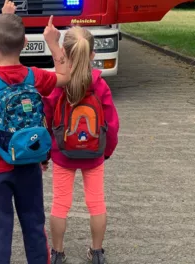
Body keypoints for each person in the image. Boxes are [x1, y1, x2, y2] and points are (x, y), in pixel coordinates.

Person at [0, 7, 70, 264]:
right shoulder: (34, 77)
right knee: (34, 226)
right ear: (24, 43)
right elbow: (65, 77)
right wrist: (53, 43)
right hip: (30, 165)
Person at [44, 27, 119, 264]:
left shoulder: (58, 85)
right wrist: (105, 152)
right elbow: (112, 125)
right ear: (93, 55)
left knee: (60, 204)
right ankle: (96, 252)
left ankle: (57, 253)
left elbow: (47, 117)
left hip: (63, 154)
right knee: (96, 202)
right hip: (94, 154)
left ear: (64, 55)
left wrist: (45, 154)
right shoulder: (100, 85)